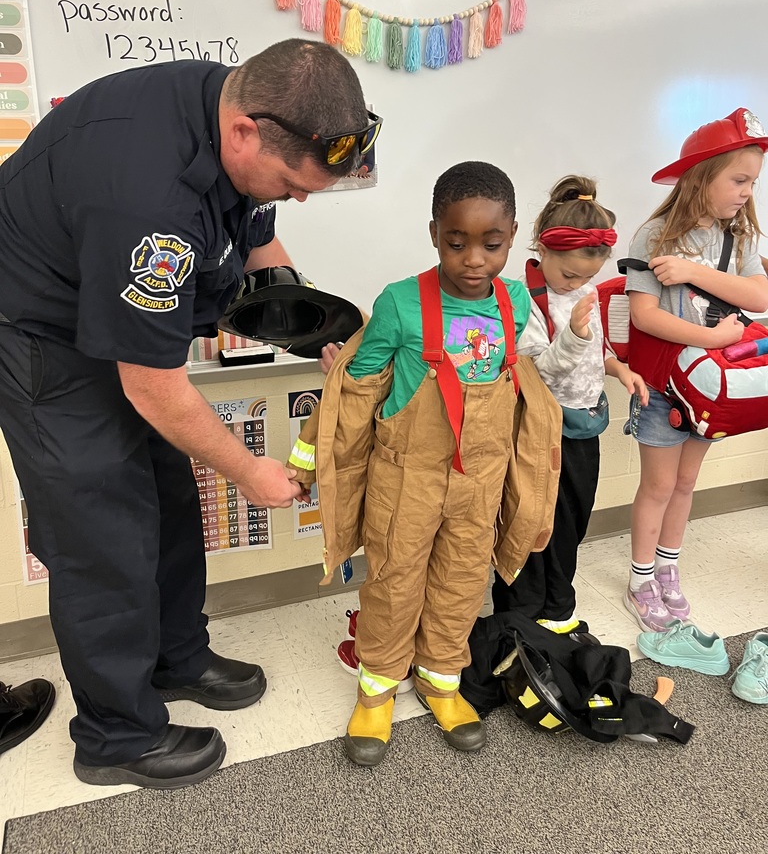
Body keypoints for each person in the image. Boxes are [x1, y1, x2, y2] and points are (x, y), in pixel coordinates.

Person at [0, 38, 380, 789]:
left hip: (115, 323)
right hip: (44, 338)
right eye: (292, 184)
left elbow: (257, 218)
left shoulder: (236, 105)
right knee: (101, 532)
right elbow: (154, 386)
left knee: (168, 495)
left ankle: (177, 656)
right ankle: (116, 735)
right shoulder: (146, 197)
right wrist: (251, 473)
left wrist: (306, 313)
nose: (298, 199)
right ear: (246, 131)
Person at [287, 161, 562, 766]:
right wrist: (309, 457)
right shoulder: (399, 303)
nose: (473, 259)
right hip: (405, 480)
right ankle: (377, 688)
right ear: (433, 231)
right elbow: (356, 390)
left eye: (491, 244)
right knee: (393, 584)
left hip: (479, 483)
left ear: (513, 235)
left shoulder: (517, 301)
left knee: (464, 582)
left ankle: (441, 679)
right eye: (455, 241)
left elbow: (525, 391)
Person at [622, 108, 768, 631]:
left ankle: (668, 570)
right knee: (658, 487)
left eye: (753, 181)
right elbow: (645, 314)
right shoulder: (654, 235)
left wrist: (695, 272)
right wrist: (710, 336)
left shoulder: (744, 240)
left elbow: (760, 294)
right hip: (663, 388)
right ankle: (641, 580)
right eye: (738, 179)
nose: (747, 192)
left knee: (686, 484)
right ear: (701, 176)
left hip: (709, 389)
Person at [491, 176, 648, 637]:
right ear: (542, 249)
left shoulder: (581, 294)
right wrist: (575, 336)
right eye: (569, 275)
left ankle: (559, 607)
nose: (578, 283)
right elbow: (540, 372)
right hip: (542, 431)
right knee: (536, 523)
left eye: (588, 276)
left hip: (584, 425)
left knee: (573, 521)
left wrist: (619, 369)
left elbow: (591, 354)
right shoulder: (525, 300)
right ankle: (521, 616)